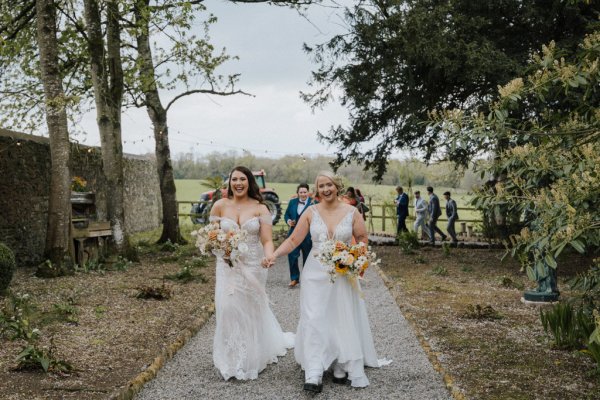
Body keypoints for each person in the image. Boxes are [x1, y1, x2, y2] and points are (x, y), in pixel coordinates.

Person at [264, 171, 379, 393]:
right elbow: (294, 239)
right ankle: (314, 369)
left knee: (339, 316)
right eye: (321, 186)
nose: (326, 189)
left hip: (342, 273)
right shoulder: (310, 212)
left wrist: (357, 257)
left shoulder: (352, 212)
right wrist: (274, 255)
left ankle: (339, 363)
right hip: (314, 274)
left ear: (337, 186)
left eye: (329, 185)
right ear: (317, 190)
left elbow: (362, 238)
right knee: (314, 317)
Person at [209, 166, 294, 380]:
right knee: (227, 308)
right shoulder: (219, 206)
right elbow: (212, 238)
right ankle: (231, 358)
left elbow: (266, 240)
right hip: (227, 265)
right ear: (229, 182)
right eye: (234, 179)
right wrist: (219, 249)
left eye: (242, 179)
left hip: (254, 264)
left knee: (250, 309)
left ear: (249, 182)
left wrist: (269, 256)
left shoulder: (260, 208)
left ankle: (251, 357)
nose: (238, 183)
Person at [283, 183, 314, 287]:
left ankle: (307, 279)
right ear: (298, 193)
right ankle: (294, 279)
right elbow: (286, 214)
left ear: (308, 192)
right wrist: (288, 221)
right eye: (301, 192)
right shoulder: (292, 202)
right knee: (292, 255)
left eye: (305, 192)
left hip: (308, 236)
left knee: (308, 257)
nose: (303, 194)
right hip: (293, 235)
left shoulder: (314, 203)